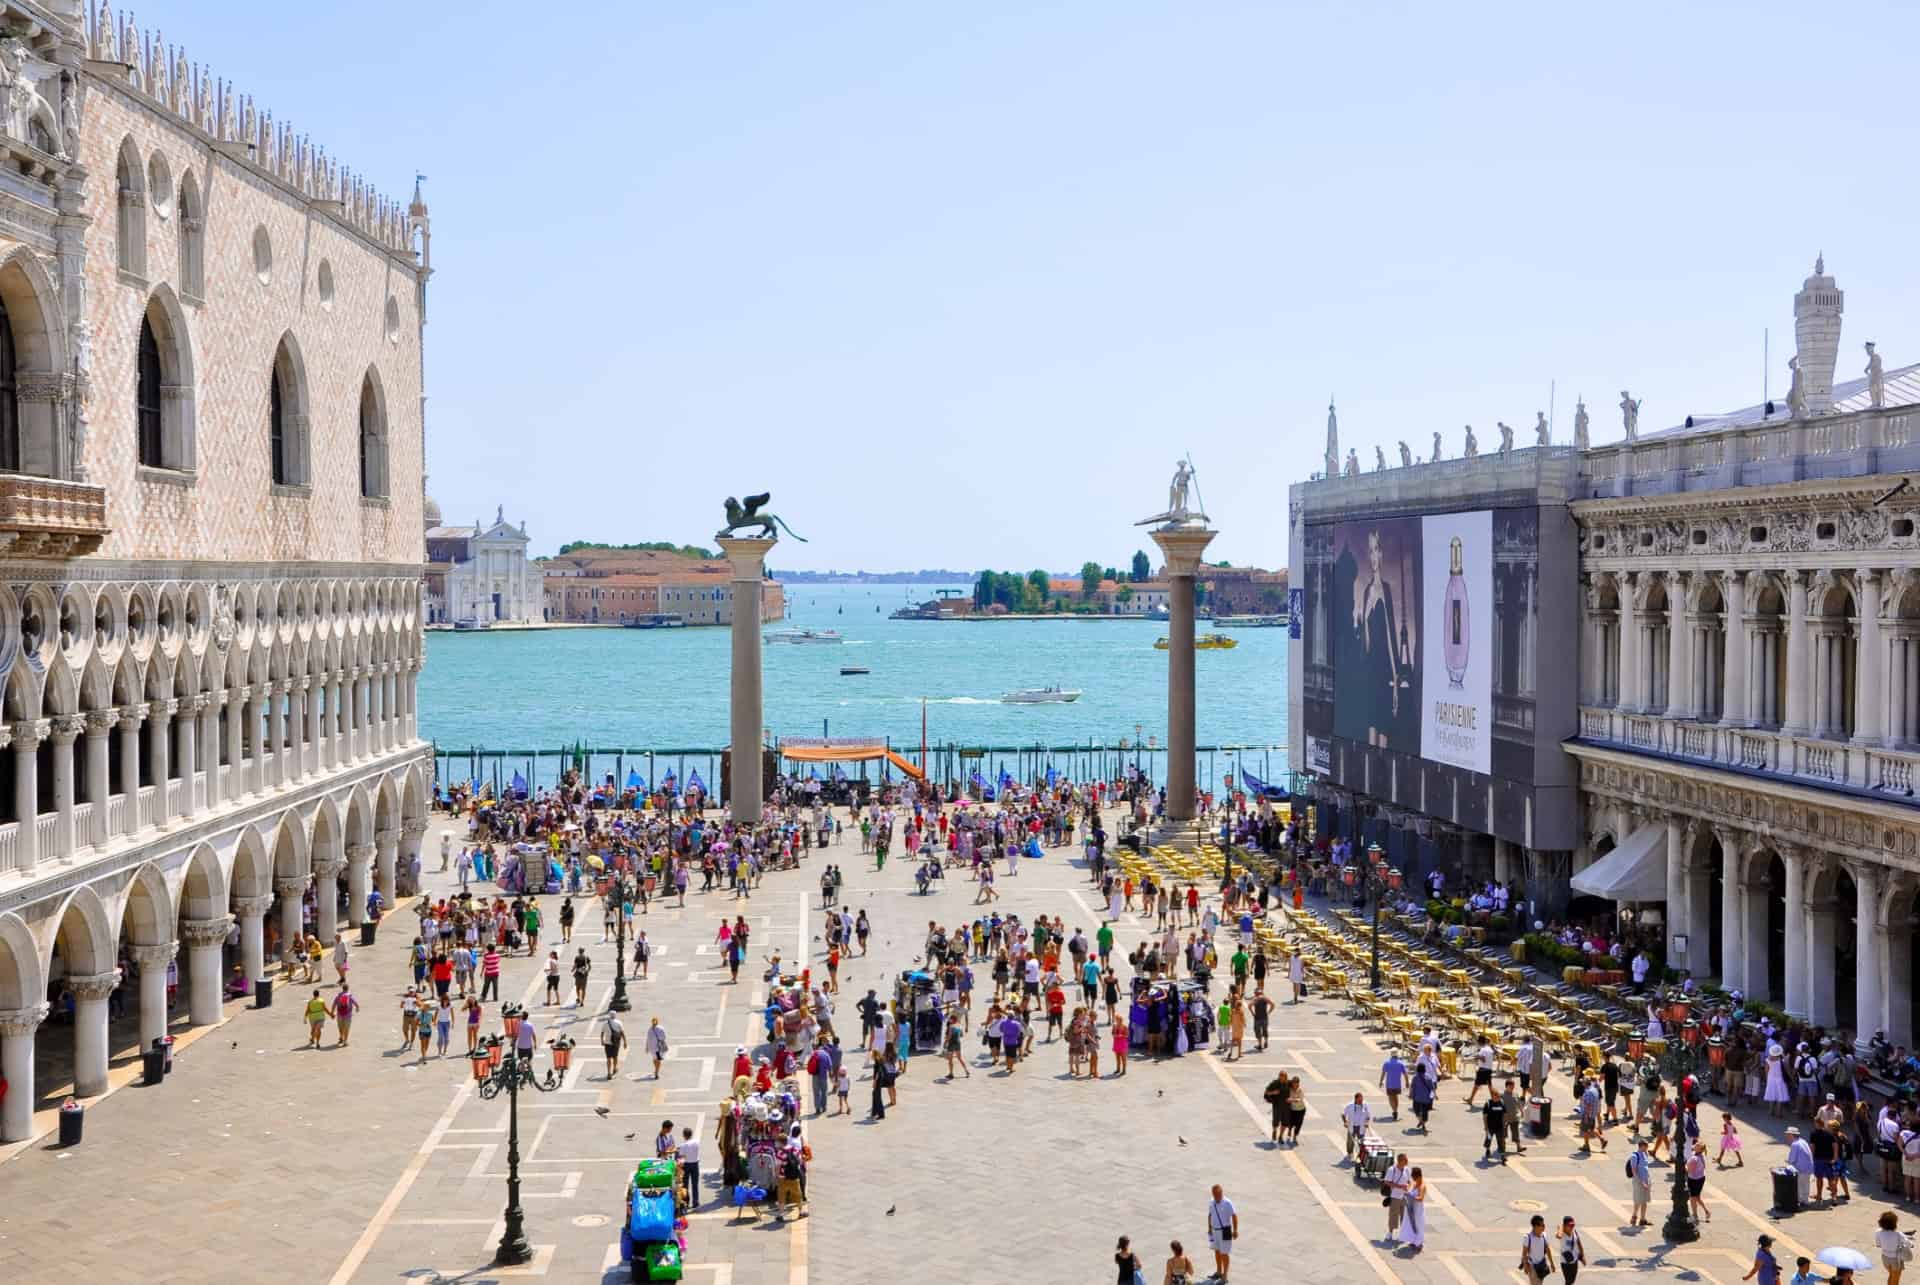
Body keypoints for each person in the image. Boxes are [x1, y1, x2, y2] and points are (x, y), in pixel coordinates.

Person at [1205, 1184, 1237, 1282]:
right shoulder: (1212, 1202)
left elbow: (1234, 1216)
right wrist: (1209, 1227)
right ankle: (1219, 1271)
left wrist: (1235, 1230)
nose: (1215, 1196)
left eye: (1217, 1194)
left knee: (1224, 1254)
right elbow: (1210, 1215)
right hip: (1215, 1231)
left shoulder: (1227, 1203)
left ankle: (1225, 1275)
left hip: (1225, 1231)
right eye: (1214, 1194)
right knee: (1217, 1251)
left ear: (1221, 1193)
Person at [1878, 1209, 1913, 1284]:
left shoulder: (1878, 1232)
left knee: (1891, 1275)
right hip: (1896, 1259)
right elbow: (1909, 1244)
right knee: (1896, 1280)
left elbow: (1878, 1244)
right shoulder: (1898, 1234)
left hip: (1885, 1258)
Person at [1383, 1153, 1411, 1242]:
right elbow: (1387, 1182)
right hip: (1395, 1196)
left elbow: (1409, 1181)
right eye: (1405, 1160)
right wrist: (1399, 1186)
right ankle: (1390, 1233)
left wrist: (1408, 1187)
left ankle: (1402, 1234)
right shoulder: (1392, 1170)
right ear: (1400, 1161)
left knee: (1404, 1216)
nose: (1407, 1161)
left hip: (1404, 1196)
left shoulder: (1407, 1169)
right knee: (1393, 1215)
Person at [1626, 1138, 1653, 1226]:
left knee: (1644, 1201)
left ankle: (1642, 1219)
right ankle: (1634, 1217)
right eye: (1646, 1146)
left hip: (1646, 1180)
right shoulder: (1635, 1156)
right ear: (1641, 1146)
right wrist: (1642, 1182)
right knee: (1638, 1200)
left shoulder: (1645, 1154)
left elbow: (1645, 1168)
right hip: (1639, 1181)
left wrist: (1648, 1181)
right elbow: (1634, 1171)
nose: (1647, 1148)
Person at [1519, 1214, 1552, 1282]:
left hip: (1542, 1265)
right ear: (1535, 1226)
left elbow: (1548, 1250)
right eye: (1542, 1225)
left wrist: (1552, 1263)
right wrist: (1525, 1266)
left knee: (1539, 1282)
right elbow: (1524, 1253)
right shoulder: (1528, 1238)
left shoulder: (1544, 1235)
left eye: (1544, 1225)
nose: (1544, 1227)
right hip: (1532, 1266)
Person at [1400, 1167, 1426, 1254]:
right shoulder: (1415, 1184)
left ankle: (1419, 1243)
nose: (1414, 1180)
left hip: (1418, 1208)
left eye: (1414, 1178)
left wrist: (1412, 1197)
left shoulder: (1422, 1186)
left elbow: (1421, 1198)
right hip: (1413, 1207)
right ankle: (1413, 1241)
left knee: (1418, 1224)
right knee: (1412, 1223)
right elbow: (1411, 1192)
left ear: (1418, 1176)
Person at [1341, 1091, 1372, 1159]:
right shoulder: (1350, 1105)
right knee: (1350, 1141)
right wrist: (1345, 1122)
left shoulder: (1365, 1105)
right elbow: (1343, 1114)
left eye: (1362, 1100)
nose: (1361, 1101)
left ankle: (1361, 1154)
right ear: (1355, 1099)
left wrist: (1367, 1122)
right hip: (1352, 1126)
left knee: (1361, 1141)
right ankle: (1350, 1153)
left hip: (1361, 1126)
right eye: (1359, 1100)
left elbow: (1368, 1115)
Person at [1483, 1084, 1509, 1164]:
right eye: (1496, 1096)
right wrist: (1486, 1127)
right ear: (1493, 1096)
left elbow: (1505, 1113)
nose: (1498, 1097)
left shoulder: (1501, 1102)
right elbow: (1485, 1116)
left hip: (1499, 1127)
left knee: (1501, 1141)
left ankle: (1502, 1156)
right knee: (1489, 1139)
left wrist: (1505, 1122)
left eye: (1498, 1096)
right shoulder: (1488, 1104)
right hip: (1490, 1127)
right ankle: (1487, 1149)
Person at [678, 1125, 701, 1210]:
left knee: (685, 1185)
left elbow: (682, 1156)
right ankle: (696, 1202)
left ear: (684, 1135)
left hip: (686, 1165)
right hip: (695, 1164)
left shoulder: (683, 1145)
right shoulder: (696, 1142)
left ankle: (686, 1202)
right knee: (695, 1184)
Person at [1556, 1216, 1586, 1284]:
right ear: (1565, 1226)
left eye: (1573, 1225)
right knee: (1568, 1281)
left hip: (1574, 1261)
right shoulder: (1562, 1234)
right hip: (1565, 1263)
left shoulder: (1574, 1232)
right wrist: (1561, 1227)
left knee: (1572, 1281)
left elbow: (1579, 1243)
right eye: (1570, 1225)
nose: (1572, 1227)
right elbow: (1558, 1236)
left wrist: (1582, 1256)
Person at [1686, 1142, 1710, 1222]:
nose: (1695, 1145)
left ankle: (1695, 1215)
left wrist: (1684, 1168)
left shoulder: (1694, 1158)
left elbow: (1689, 1171)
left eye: (1696, 1145)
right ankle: (1707, 1212)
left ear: (1699, 1149)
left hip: (1694, 1180)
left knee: (1693, 1198)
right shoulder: (1700, 1156)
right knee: (1697, 1197)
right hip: (1701, 1178)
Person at [1379, 1049, 1406, 1121]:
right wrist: (1407, 1082)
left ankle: (1394, 1111)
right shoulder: (1401, 1063)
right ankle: (1395, 1110)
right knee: (1396, 1097)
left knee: (1391, 1098)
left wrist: (1381, 1081)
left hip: (1390, 1084)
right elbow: (1405, 1074)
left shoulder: (1386, 1063)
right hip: (1397, 1084)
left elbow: (1383, 1073)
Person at [601, 1012, 626, 1078]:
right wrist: (625, 1042)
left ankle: (609, 1073)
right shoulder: (619, 1023)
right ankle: (614, 1068)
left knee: (608, 1058)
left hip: (607, 1043)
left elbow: (602, 1033)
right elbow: (622, 1033)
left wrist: (602, 1041)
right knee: (615, 1057)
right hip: (616, 1043)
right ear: (615, 1015)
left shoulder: (605, 1023)